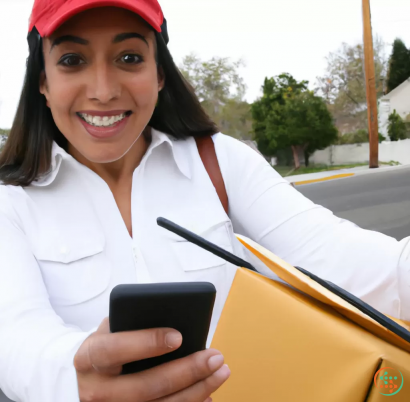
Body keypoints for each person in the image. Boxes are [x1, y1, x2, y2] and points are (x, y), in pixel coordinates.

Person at [0, 0, 409, 401]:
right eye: (72, 60)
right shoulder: (11, 201)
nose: (104, 91)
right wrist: (76, 377)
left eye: (129, 57)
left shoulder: (218, 160)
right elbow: (15, 337)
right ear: (43, 81)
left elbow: (349, 261)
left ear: (159, 73)